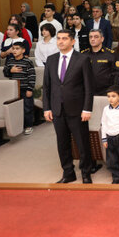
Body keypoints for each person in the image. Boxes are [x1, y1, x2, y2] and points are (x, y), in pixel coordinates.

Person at [43, 29, 94, 184]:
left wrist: (87, 108)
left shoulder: (83, 59)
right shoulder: (51, 60)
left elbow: (88, 87)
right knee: (62, 143)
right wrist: (47, 108)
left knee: (82, 142)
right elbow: (47, 87)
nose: (61, 41)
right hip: (57, 108)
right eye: (59, 38)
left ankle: (86, 172)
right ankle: (68, 172)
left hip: (78, 109)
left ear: (72, 41)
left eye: (64, 38)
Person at [3, 43, 36, 136]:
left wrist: (30, 89)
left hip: (25, 88)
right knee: (15, 108)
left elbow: (32, 76)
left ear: (23, 50)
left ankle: (28, 126)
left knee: (27, 108)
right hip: (13, 90)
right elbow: (5, 73)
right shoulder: (10, 61)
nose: (14, 50)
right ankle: (17, 126)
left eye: (17, 49)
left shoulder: (27, 62)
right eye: (13, 49)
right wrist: (10, 70)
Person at [83, 30, 119, 96]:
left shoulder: (111, 55)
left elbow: (116, 75)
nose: (92, 39)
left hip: (106, 92)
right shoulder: (83, 55)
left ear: (102, 39)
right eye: (90, 37)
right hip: (87, 92)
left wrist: (114, 92)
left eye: (96, 37)